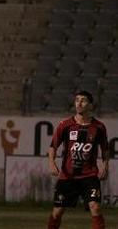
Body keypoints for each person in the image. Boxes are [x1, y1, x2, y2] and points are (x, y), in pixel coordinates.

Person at [46, 91, 109, 229]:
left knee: (95, 207)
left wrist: (105, 166)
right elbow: (53, 147)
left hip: (90, 175)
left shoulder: (99, 127)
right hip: (68, 176)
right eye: (77, 100)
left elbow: (105, 149)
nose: (79, 103)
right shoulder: (65, 125)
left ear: (91, 105)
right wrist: (51, 163)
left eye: (83, 100)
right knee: (57, 212)